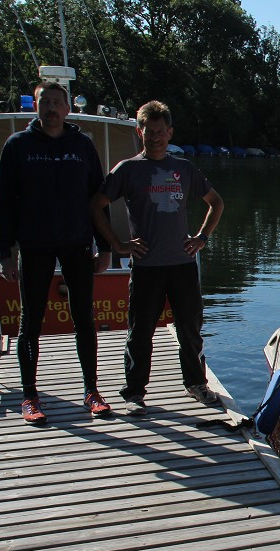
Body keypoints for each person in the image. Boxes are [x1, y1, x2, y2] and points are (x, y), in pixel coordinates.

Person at [90, 100, 224, 416]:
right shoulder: (128, 169)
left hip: (182, 264)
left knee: (190, 328)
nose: (155, 138)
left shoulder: (185, 169)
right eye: (149, 132)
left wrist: (202, 237)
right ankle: (134, 393)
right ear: (140, 132)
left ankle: (196, 384)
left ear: (170, 132)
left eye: (161, 132)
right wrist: (118, 244)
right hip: (147, 265)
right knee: (140, 332)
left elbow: (216, 203)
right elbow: (96, 205)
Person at [0, 80, 113, 425]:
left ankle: (92, 390)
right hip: (34, 244)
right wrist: (4, 251)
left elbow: (98, 199)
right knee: (29, 321)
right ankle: (30, 395)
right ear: (36, 106)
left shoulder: (83, 146)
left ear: (67, 108)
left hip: (77, 242)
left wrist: (104, 246)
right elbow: (3, 203)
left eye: (57, 102)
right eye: (45, 102)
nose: (51, 108)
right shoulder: (18, 145)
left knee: (84, 318)